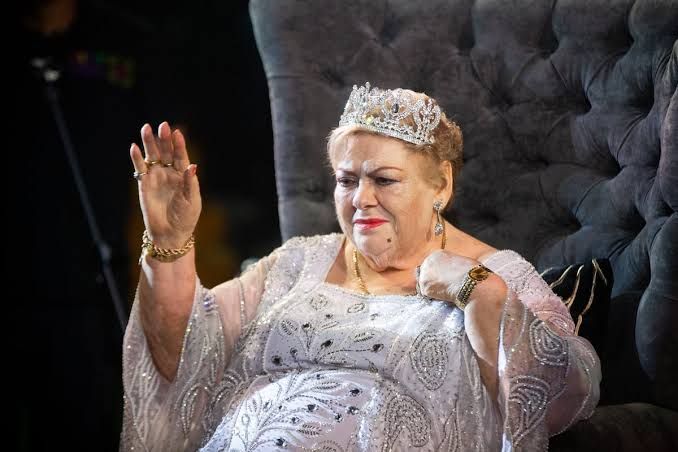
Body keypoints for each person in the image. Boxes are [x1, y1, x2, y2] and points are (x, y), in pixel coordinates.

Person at [120, 83, 601, 451]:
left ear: (441, 185)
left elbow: (565, 395)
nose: (361, 199)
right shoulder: (297, 261)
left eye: (384, 180)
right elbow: (180, 351)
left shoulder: (492, 272)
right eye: (347, 180)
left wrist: (478, 290)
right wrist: (170, 243)